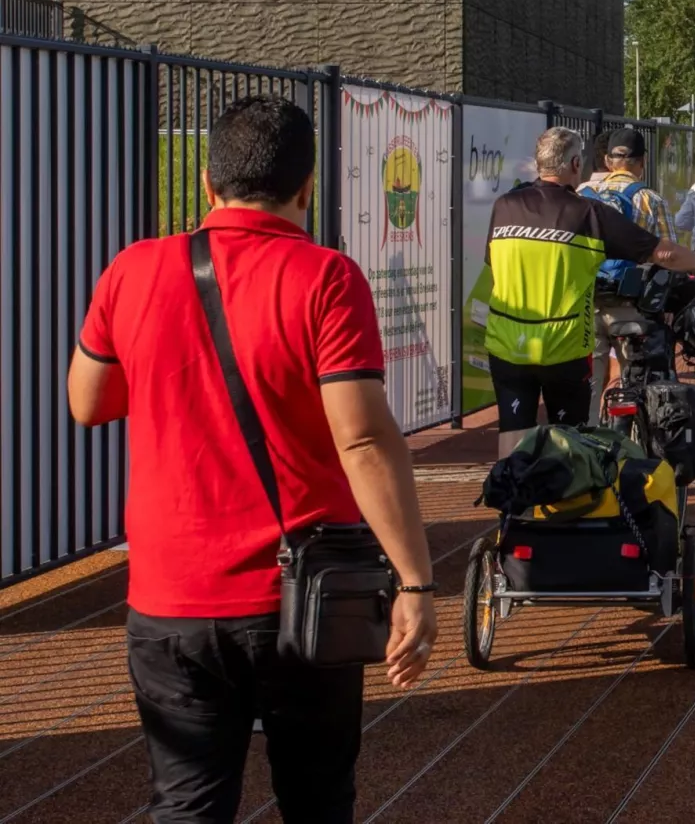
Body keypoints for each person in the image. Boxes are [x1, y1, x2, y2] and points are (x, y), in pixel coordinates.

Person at [66, 94, 438, 823]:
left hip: (170, 597)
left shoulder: (133, 269)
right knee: (317, 798)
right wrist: (417, 584)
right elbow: (361, 438)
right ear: (308, 188)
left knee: (186, 803)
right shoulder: (327, 279)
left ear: (208, 185)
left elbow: (88, 402)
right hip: (302, 598)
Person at [486, 126, 695, 456]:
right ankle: (573, 495)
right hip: (564, 342)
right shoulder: (587, 213)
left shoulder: (505, 205)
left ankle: (511, 503)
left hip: (507, 341)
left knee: (513, 433)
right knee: (568, 437)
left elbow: (493, 263)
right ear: (576, 163)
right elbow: (665, 253)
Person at [581, 126, 680, 424]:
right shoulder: (650, 199)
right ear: (642, 161)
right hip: (631, 307)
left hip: (586, 305)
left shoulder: (582, 195)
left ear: (609, 161)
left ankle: (587, 445)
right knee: (635, 382)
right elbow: (669, 256)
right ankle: (633, 446)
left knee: (590, 386)